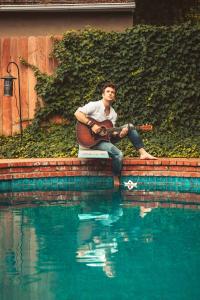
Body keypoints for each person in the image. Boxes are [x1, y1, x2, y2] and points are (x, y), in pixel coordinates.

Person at [74, 83, 156, 185]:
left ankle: (143, 153)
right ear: (103, 94)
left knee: (129, 126)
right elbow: (77, 113)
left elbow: (110, 133)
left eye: (113, 92)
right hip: (92, 139)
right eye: (108, 91)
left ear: (114, 96)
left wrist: (120, 134)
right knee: (118, 154)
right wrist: (92, 124)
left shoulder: (113, 113)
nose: (110, 94)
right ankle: (116, 176)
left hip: (104, 138)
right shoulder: (94, 105)